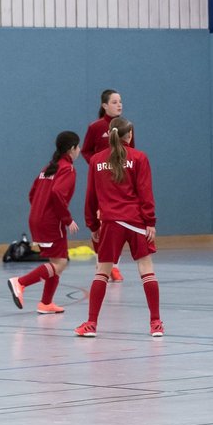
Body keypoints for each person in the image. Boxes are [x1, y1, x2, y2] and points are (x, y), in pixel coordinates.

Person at [75, 117, 164, 338]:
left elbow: (90, 198)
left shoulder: (96, 160)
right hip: (135, 222)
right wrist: (150, 221)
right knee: (146, 269)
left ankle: (91, 324)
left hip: (110, 223)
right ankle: (155, 323)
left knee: (102, 272)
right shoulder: (139, 158)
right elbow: (145, 193)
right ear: (130, 135)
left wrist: (93, 225)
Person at [8, 131, 81, 314]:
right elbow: (57, 193)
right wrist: (67, 219)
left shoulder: (48, 168)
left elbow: (32, 194)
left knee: (55, 261)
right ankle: (20, 282)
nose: (79, 150)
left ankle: (46, 303)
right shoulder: (67, 169)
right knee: (60, 263)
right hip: (51, 222)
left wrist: (40, 211)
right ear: (72, 149)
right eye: (78, 147)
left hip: (37, 219)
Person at [81, 89, 129, 282]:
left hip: (121, 180)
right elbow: (85, 151)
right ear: (104, 105)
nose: (119, 105)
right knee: (102, 222)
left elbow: (131, 151)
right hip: (102, 181)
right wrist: (97, 166)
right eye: (115, 102)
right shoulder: (95, 127)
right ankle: (103, 262)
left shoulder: (126, 126)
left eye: (120, 101)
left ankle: (114, 265)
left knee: (120, 222)